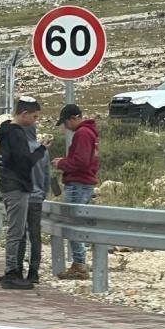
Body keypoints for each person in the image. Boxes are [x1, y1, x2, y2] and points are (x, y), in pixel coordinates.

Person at [0, 97, 52, 290]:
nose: (35, 121)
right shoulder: (16, 134)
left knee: (16, 231)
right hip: (17, 187)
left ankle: (13, 270)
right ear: (25, 114)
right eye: (34, 117)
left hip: (8, 186)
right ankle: (12, 273)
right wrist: (42, 150)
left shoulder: (6, 132)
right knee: (17, 232)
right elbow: (25, 162)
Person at [52, 104, 99, 281]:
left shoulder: (82, 134)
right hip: (84, 183)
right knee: (76, 223)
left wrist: (62, 164)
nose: (65, 127)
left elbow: (80, 162)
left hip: (78, 184)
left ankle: (79, 264)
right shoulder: (89, 133)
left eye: (65, 123)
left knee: (72, 224)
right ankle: (79, 263)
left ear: (73, 118)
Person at [15, 123, 50, 284]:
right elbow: (47, 176)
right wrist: (43, 193)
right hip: (36, 198)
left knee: (19, 235)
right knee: (35, 236)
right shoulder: (43, 151)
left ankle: (17, 270)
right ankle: (34, 272)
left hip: (20, 198)